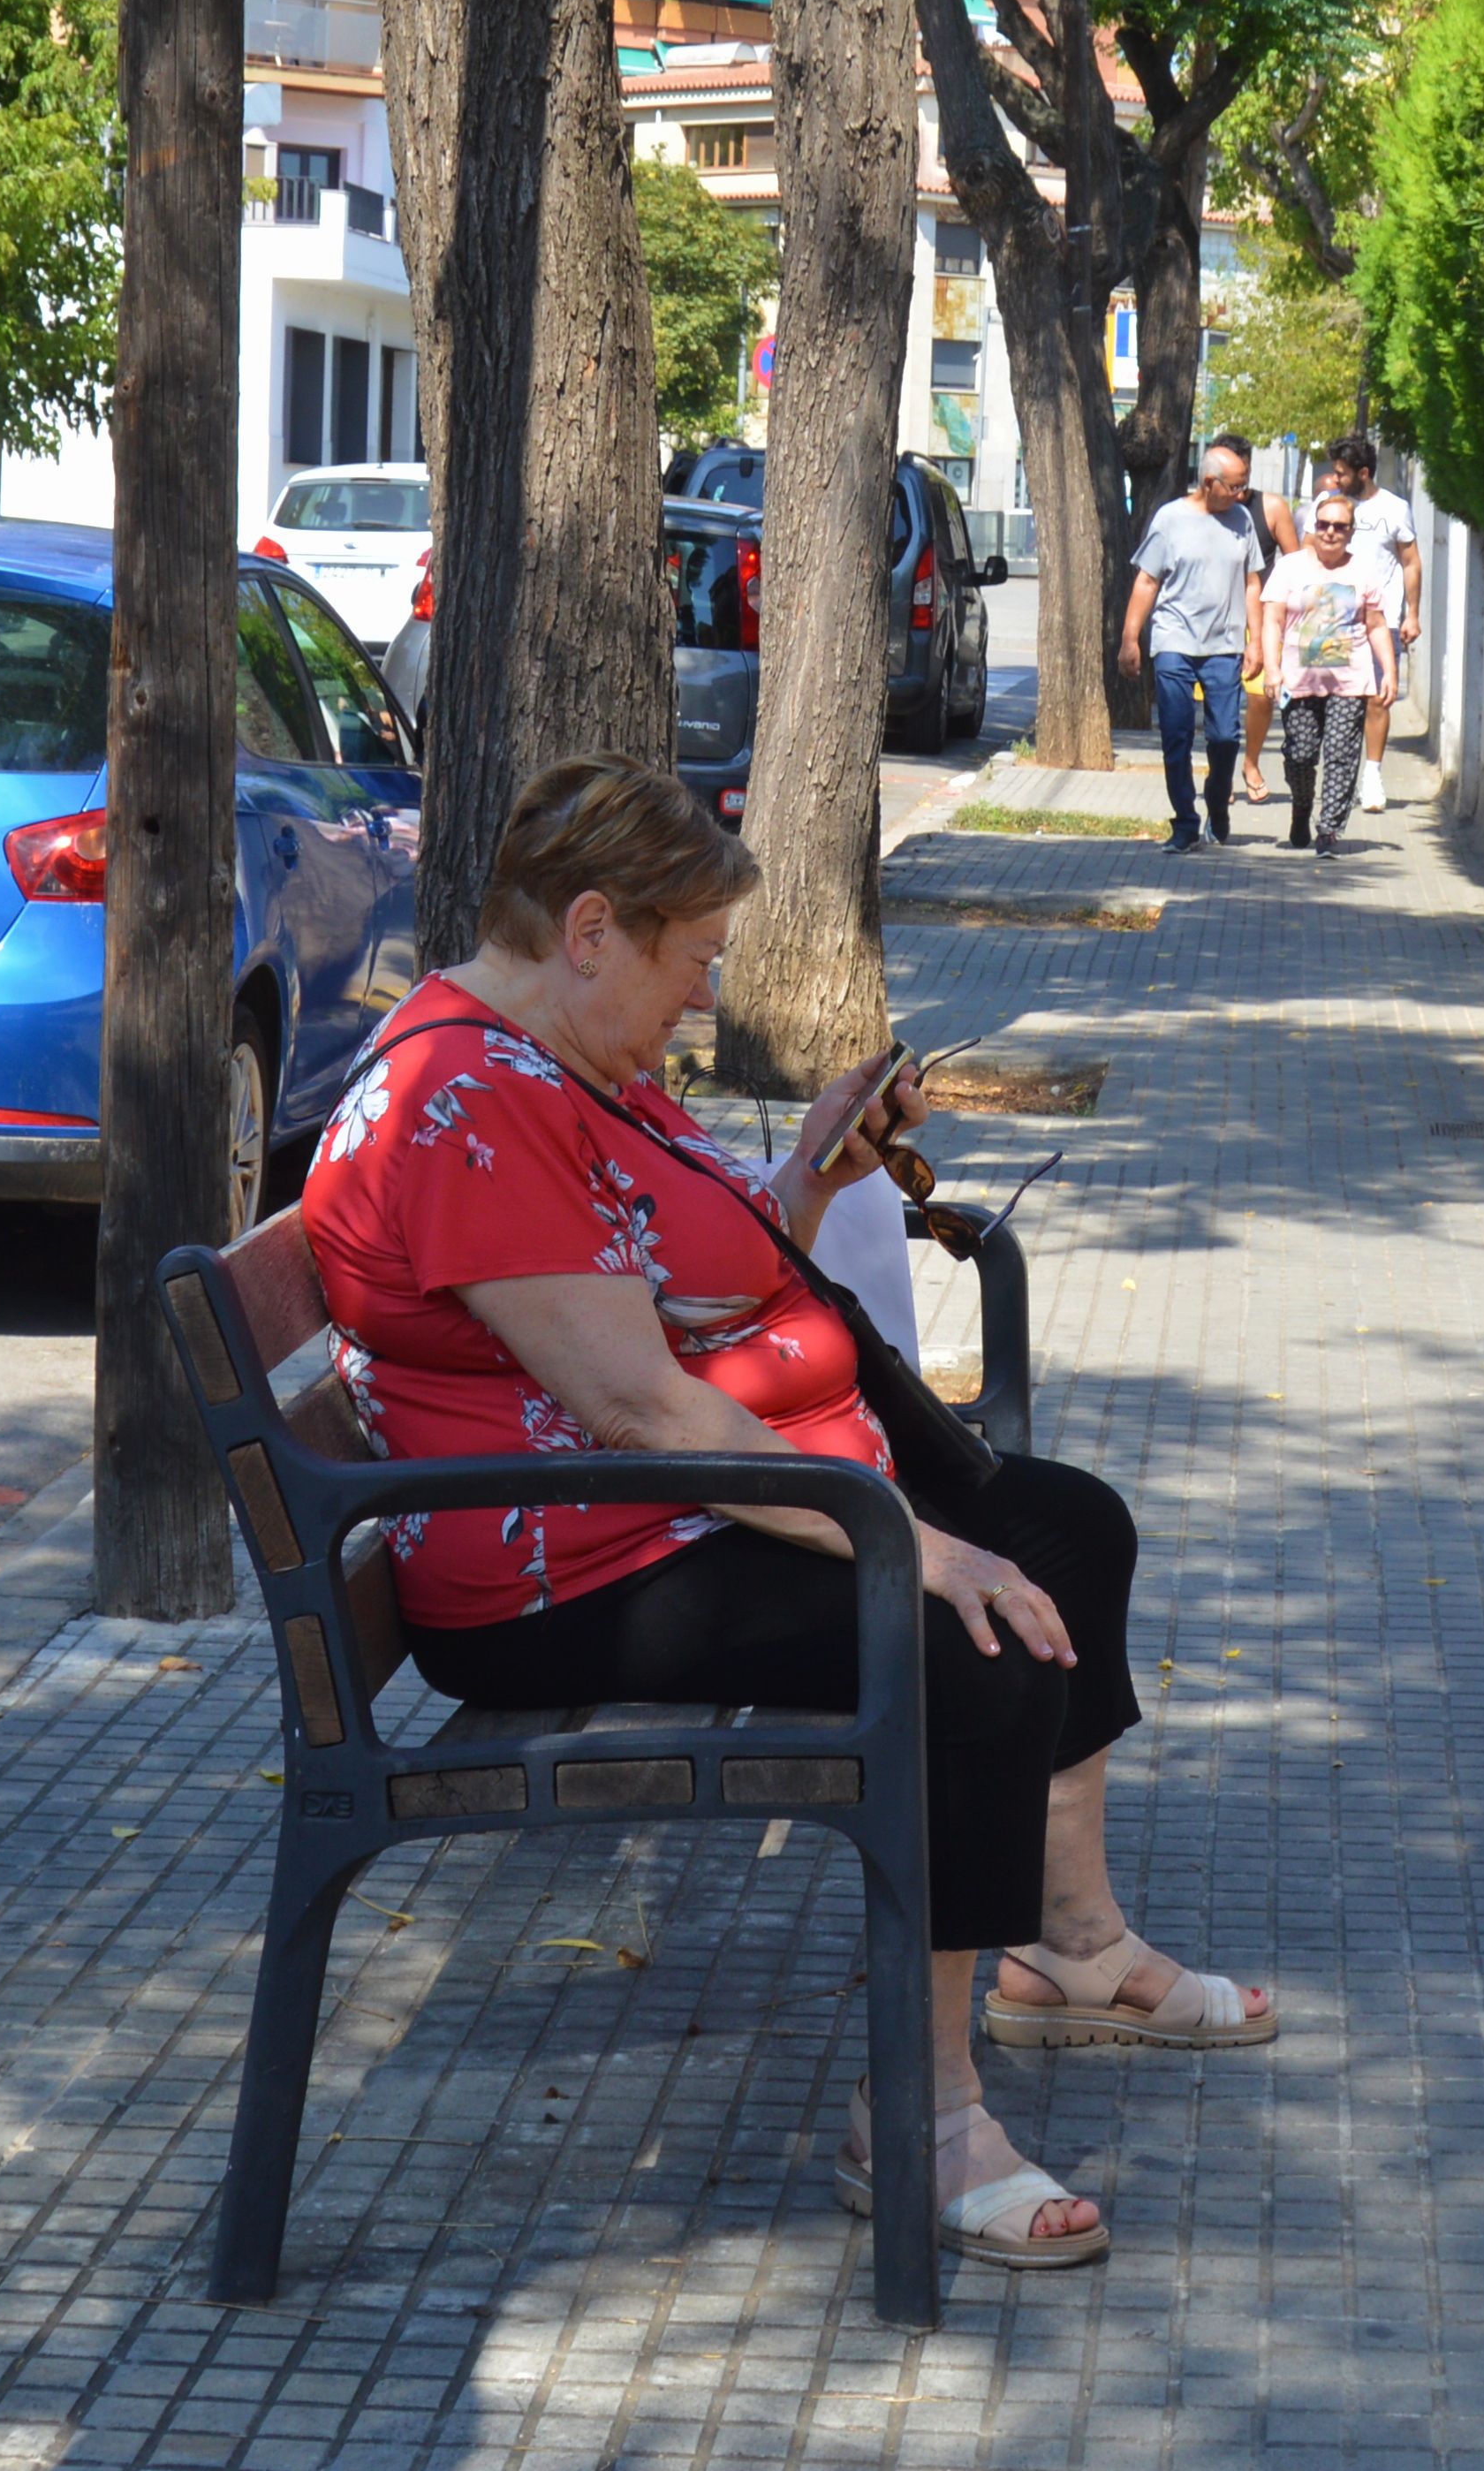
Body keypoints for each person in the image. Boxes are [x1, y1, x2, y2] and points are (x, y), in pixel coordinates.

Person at [303, 757, 1276, 2272]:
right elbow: (630, 1408)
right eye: (691, 960)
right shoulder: (463, 1103)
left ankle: (1067, 1948)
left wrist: (808, 1181)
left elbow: (667, 1280)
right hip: (569, 1569)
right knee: (974, 1638)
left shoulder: (553, 1061)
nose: (700, 1000)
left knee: (1069, 1531)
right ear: (589, 929)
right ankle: (924, 2118)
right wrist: (909, 1546)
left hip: (664, 1513)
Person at [1115, 435, 1261, 853]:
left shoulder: (1242, 521)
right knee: (1176, 735)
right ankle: (1184, 822)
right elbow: (1147, 580)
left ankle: (1218, 806)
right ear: (1209, 482)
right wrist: (1130, 640)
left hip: (1224, 646)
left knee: (1224, 738)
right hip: (1175, 641)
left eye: (1244, 485)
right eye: (1234, 486)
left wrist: (1255, 642)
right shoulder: (1171, 519)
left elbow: (1252, 583)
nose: (1241, 493)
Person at [1246, 490, 1397, 854]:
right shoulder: (1291, 566)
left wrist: (1388, 671)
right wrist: (1272, 670)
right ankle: (1301, 808)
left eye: (1339, 527)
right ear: (1314, 527)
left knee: (1342, 754)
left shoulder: (1363, 570)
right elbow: (1272, 621)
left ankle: (1329, 830)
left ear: (1351, 531)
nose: (1330, 532)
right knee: (1299, 754)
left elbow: (1376, 624)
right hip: (1299, 681)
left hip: (1351, 680)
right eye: (1324, 525)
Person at [1330, 435, 1419, 813]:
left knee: (1378, 698)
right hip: (1332, 621)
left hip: (1381, 621)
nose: (1336, 480)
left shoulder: (1395, 509)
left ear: (1362, 474)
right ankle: (1340, 778)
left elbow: (1411, 562)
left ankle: (1372, 775)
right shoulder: (1329, 508)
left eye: (1342, 474)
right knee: (1338, 703)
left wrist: (1412, 613)